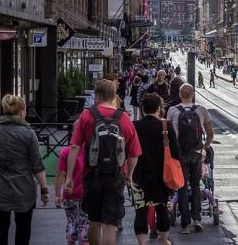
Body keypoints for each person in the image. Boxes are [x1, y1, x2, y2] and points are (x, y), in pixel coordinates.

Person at [66, 80, 142, 245]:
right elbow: (134, 153)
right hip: (116, 175)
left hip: (92, 174)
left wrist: (69, 177)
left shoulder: (86, 115)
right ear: (114, 96)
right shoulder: (124, 118)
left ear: (97, 96)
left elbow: (74, 148)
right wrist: (129, 174)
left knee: (94, 220)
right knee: (110, 224)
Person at [0, 94, 49, 245]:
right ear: (21, 111)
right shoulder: (28, 133)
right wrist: (44, 190)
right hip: (23, 189)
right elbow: (36, 164)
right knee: (23, 229)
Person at [132, 94, 180, 245]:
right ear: (159, 109)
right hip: (162, 176)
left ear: (142, 108)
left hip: (138, 176)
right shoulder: (166, 126)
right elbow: (177, 153)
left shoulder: (134, 126)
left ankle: (143, 243)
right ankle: (164, 241)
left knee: (140, 212)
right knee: (162, 209)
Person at [167, 83, 215, 234]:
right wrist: (205, 146)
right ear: (193, 94)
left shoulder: (172, 111)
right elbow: (210, 133)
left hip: (179, 154)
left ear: (180, 95)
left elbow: (168, 134)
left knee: (181, 186)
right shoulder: (201, 110)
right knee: (196, 185)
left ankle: (185, 225)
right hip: (196, 153)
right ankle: (197, 220)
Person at [55, 144, 89, 245]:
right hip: (85, 195)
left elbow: (60, 173)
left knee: (71, 223)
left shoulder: (65, 151)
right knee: (84, 226)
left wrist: (57, 194)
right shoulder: (90, 151)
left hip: (69, 195)